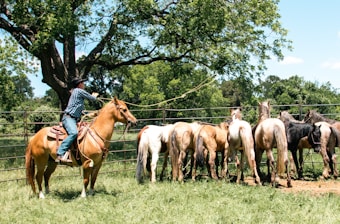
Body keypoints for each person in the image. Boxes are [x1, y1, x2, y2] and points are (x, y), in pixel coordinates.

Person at [55, 77, 99, 163]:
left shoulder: (77, 95)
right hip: (69, 118)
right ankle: (60, 153)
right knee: (74, 133)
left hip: (73, 119)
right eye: (83, 83)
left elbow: (80, 110)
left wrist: (89, 114)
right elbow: (93, 99)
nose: (84, 85)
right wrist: (94, 96)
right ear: (79, 84)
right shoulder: (78, 91)